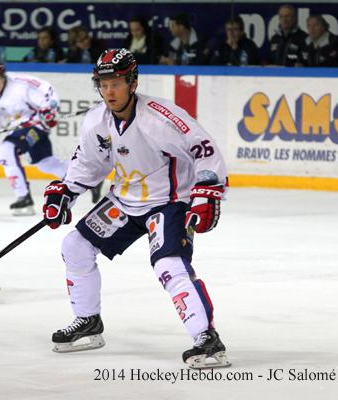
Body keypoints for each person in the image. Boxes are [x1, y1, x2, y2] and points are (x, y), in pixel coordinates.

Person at [42, 48, 231, 369]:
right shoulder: (96, 121)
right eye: (102, 84)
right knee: (75, 245)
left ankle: (206, 338)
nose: (109, 91)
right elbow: (88, 164)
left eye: (116, 82)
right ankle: (87, 320)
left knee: (168, 264)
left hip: (170, 203)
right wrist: (65, 192)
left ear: (132, 81)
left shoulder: (159, 117)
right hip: (125, 201)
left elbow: (204, 148)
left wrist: (208, 192)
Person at [0, 58, 70, 215]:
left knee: (6, 149)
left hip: (36, 124)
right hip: (20, 125)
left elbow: (48, 91)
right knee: (45, 163)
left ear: (3, 75)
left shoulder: (20, 85)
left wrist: (49, 111)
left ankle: (23, 197)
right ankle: (84, 175)